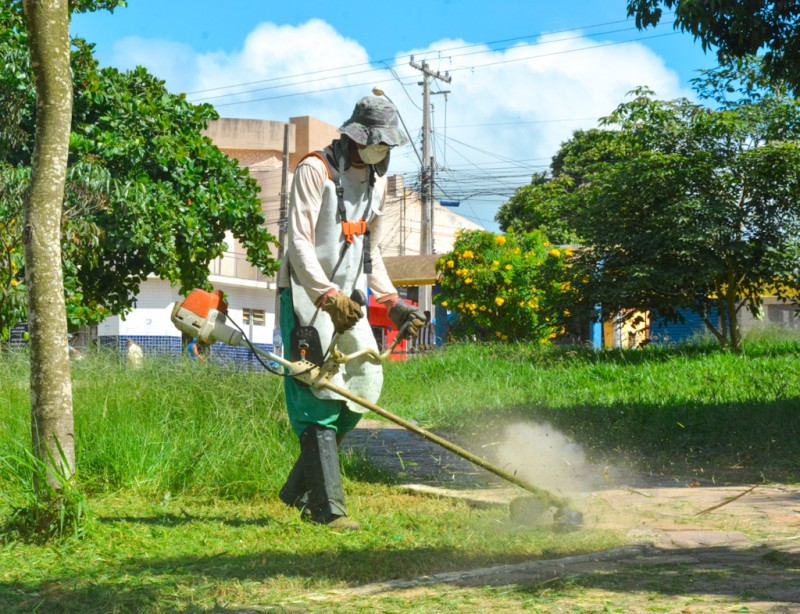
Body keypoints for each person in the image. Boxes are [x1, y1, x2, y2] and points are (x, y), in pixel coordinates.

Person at [277, 96, 426, 530]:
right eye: (377, 143)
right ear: (356, 136)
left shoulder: (377, 181)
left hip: (350, 300)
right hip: (308, 295)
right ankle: (327, 509)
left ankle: (299, 487)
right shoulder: (314, 170)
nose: (382, 152)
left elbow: (369, 251)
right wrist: (325, 295)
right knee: (318, 392)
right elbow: (298, 244)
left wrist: (392, 302)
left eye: (387, 146)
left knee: (365, 380)